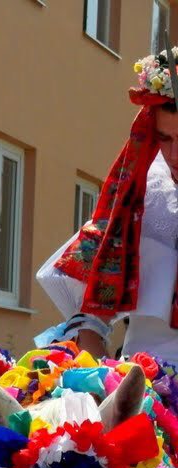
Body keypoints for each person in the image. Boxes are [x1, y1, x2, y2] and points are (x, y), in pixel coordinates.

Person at [37, 47, 178, 362]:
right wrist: (108, 380)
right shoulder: (140, 199)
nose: (174, 154)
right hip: (148, 390)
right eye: (164, 139)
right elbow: (87, 316)